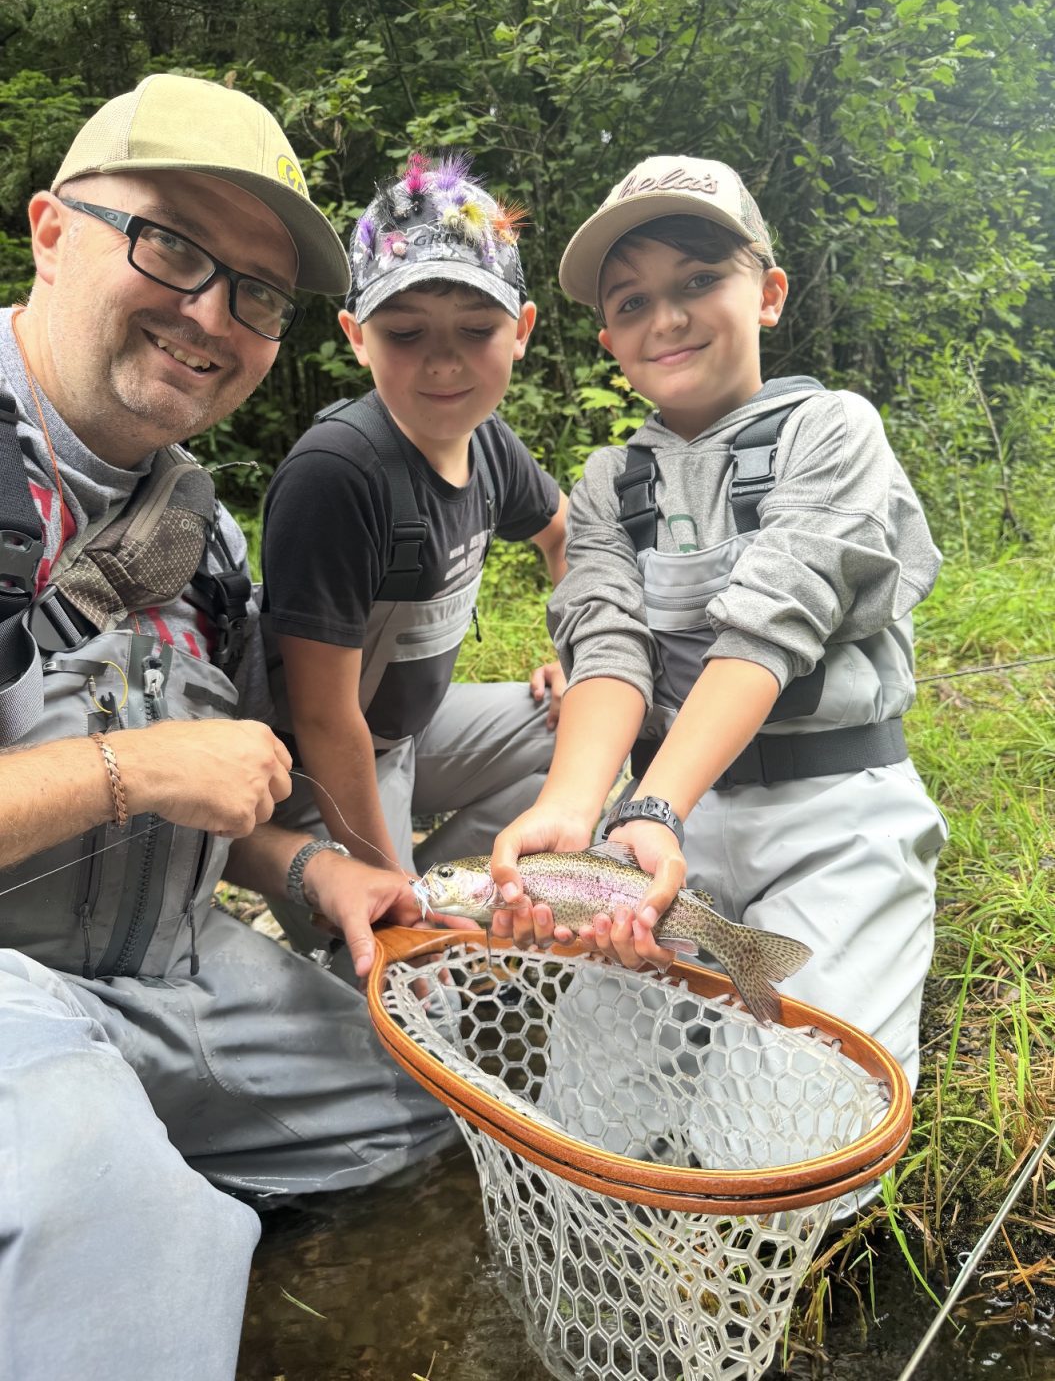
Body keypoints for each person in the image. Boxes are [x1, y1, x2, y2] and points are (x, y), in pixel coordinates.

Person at [0, 74, 463, 1381]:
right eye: (173, 246)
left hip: (166, 965)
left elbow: (230, 792)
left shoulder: (202, 528)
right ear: (50, 228)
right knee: (110, 1210)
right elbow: (159, 771)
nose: (211, 314)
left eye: (256, 292)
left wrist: (319, 870)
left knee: (420, 1108)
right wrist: (127, 768)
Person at [489, 155, 947, 1093]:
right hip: (665, 843)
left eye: (698, 281)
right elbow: (606, 644)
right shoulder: (606, 486)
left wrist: (650, 805)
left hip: (832, 812)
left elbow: (767, 628)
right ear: (608, 335)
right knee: (590, 1108)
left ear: (768, 293)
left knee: (790, 1116)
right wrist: (575, 817)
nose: (665, 317)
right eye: (630, 301)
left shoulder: (833, 430)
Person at [260, 152, 567, 954]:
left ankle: (459, 902)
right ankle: (400, 925)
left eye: (476, 330)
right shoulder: (338, 474)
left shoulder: (489, 441)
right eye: (405, 334)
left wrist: (579, 655)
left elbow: (565, 536)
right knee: (398, 983)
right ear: (356, 338)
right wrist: (382, 891)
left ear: (522, 331)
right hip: (315, 771)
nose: (443, 362)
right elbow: (324, 720)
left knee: (585, 730)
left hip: (410, 734)